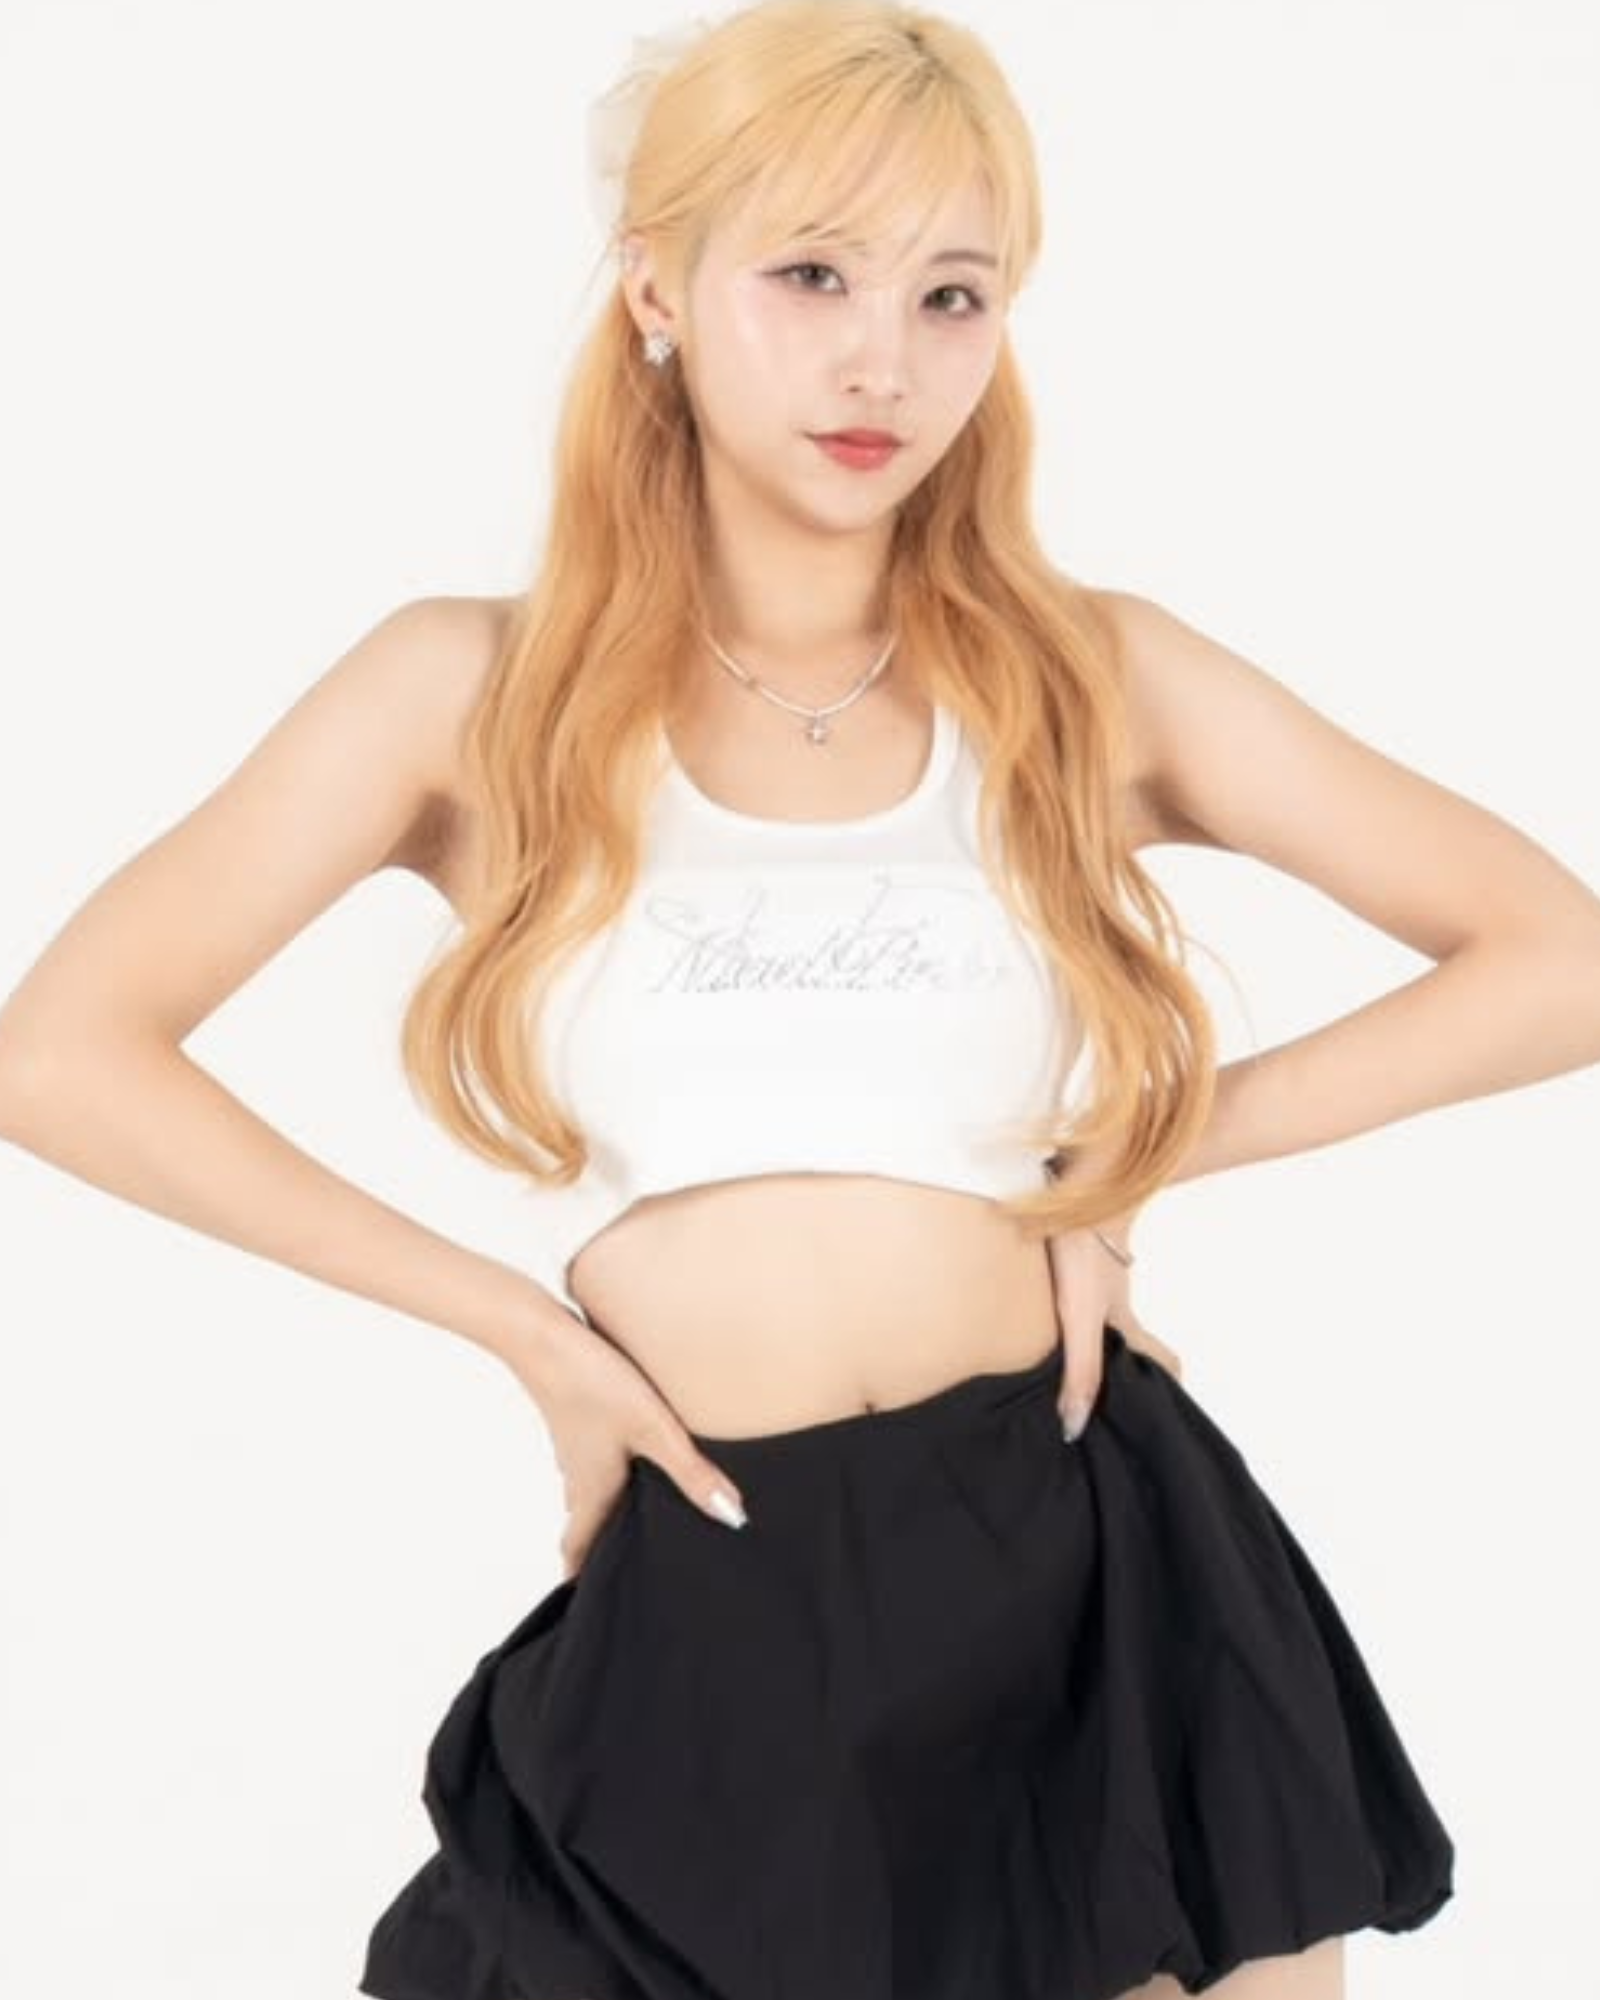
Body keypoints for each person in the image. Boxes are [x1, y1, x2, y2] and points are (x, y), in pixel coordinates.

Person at [3, 3, 1598, 1997]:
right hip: (718, 1578)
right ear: (654, 289)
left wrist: (1134, 1161)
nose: (882, 363)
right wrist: (526, 1334)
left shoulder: (1086, 679)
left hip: (1084, 1572)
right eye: (812, 275)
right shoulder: (467, 695)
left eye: (952, 295)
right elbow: (63, 1052)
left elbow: (1553, 956)